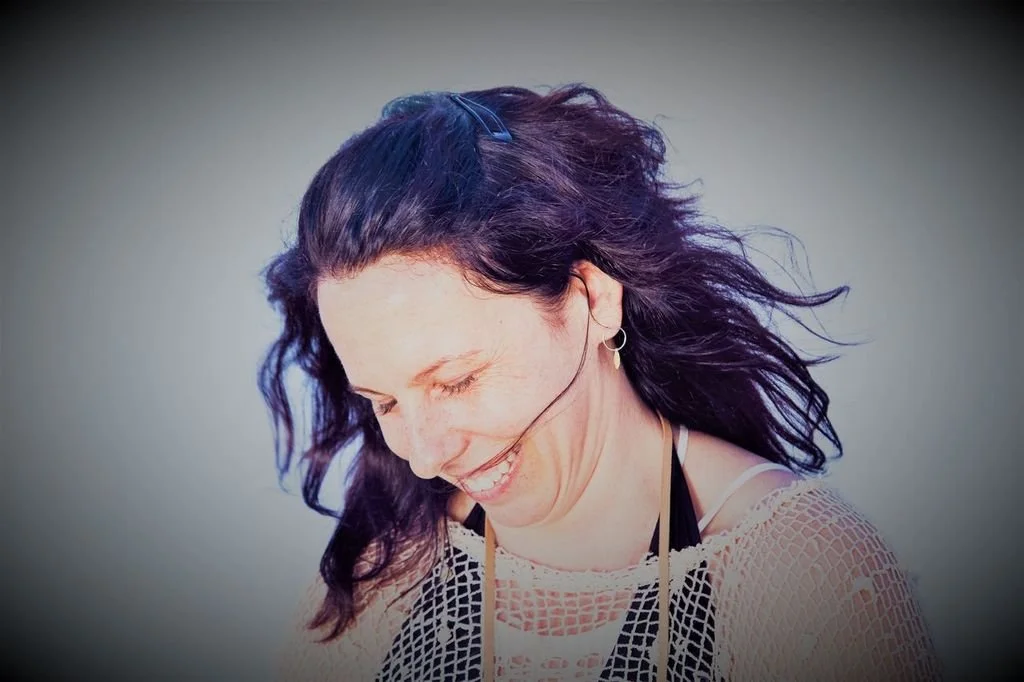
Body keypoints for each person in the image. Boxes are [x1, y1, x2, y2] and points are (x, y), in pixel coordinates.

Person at [258, 84, 943, 681]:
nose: (429, 456)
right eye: (384, 401)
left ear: (592, 299)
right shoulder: (383, 568)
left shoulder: (803, 579)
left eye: (459, 381)